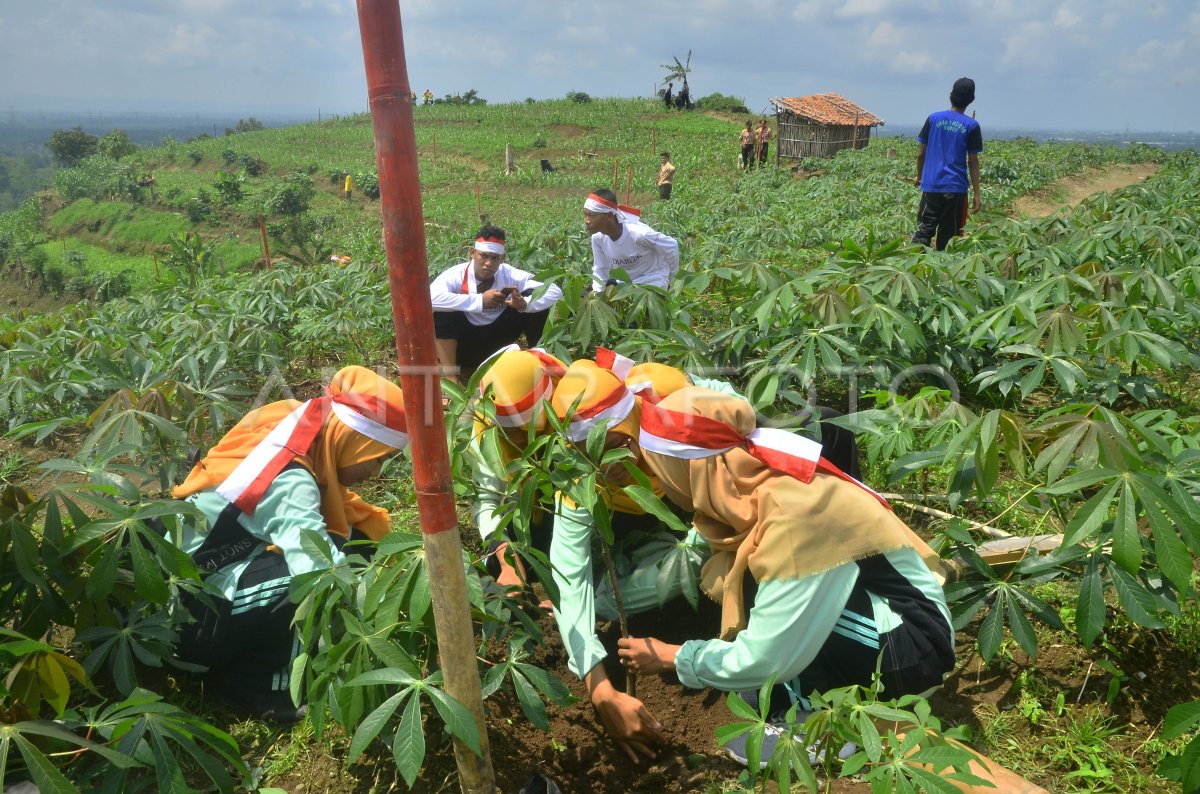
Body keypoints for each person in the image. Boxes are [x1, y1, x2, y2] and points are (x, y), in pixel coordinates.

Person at [605, 387, 954, 763]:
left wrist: (675, 657)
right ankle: (806, 690)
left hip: (912, 651)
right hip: (882, 624)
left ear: (691, 468)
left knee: (779, 619)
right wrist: (599, 603)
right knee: (769, 586)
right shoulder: (749, 484)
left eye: (660, 468)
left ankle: (828, 725)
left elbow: (768, 658)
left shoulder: (793, 518)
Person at [171, 366, 410, 721]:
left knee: (353, 541)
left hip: (201, 574)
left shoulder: (293, 421)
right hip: (183, 621)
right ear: (352, 439)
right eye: (377, 458)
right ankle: (259, 683)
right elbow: (319, 572)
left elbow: (343, 523)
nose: (375, 473)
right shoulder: (291, 480)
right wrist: (384, 614)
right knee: (308, 583)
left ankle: (249, 651)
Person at [470, 346, 568, 595]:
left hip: (573, 515)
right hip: (524, 513)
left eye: (525, 429)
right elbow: (486, 499)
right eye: (507, 432)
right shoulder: (485, 431)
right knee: (499, 556)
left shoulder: (572, 410)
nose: (517, 439)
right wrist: (506, 560)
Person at [430, 225, 563, 383]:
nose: (488, 263)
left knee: (534, 299)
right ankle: (451, 377)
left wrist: (524, 304)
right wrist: (480, 301)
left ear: (503, 258)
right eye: (483, 256)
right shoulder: (455, 275)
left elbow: (554, 290)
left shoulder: (508, 273)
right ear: (472, 253)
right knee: (443, 310)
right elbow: (430, 299)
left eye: (495, 258)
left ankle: (539, 362)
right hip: (464, 346)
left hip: (497, 344)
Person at [912, 77, 982, 250]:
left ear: (951, 96)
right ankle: (943, 273)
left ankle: (914, 268)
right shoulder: (971, 125)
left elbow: (921, 153)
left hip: (931, 186)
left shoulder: (933, 118)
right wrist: (977, 194)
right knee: (950, 238)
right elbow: (973, 161)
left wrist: (919, 176)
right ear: (971, 100)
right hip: (955, 189)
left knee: (924, 231)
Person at [584, 189, 679, 292]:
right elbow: (600, 269)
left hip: (652, 282)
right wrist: (597, 294)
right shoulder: (597, 238)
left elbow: (671, 246)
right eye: (586, 215)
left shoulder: (639, 234)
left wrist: (671, 280)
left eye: (592, 215)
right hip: (625, 286)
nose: (587, 221)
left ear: (609, 215)